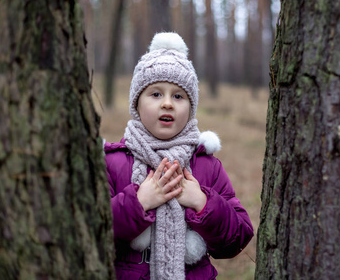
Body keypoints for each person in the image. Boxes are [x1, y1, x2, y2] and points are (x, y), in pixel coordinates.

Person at [104, 32, 254, 279]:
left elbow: (236, 238)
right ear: (137, 103)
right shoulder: (113, 162)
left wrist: (203, 203)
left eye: (178, 96)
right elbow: (90, 230)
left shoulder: (206, 165)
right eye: (155, 94)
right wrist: (138, 203)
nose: (167, 104)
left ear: (191, 107)